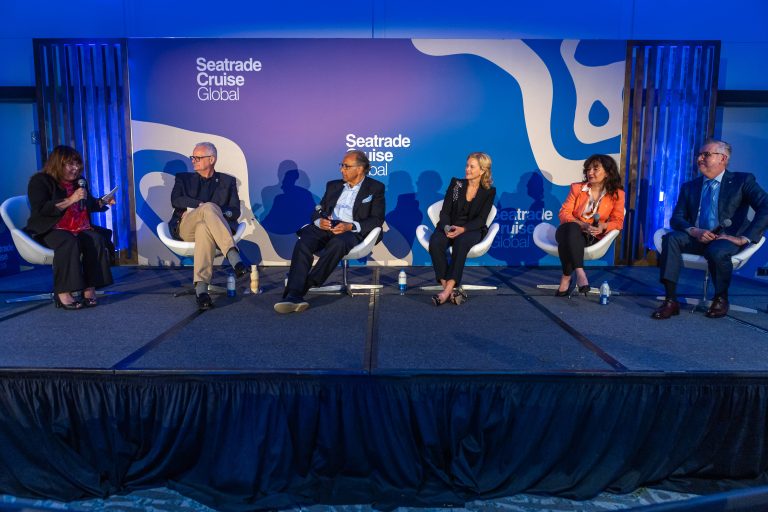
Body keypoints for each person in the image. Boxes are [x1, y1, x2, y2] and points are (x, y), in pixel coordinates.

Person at [652, 139, 768, 319]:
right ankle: (670, 300)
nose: (699, 159)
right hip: (697, 236)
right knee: (670, 238)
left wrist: (743, 238)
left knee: (717, 251)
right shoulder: (690, 187)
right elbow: (677, 218)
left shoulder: (742, 181)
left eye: (706, 154)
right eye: (699, 155)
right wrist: (694, 231)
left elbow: (765, 206)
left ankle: (721, 298)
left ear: (723, 158)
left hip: (726, 239)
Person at [274, 150, 385, 314]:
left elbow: (376, 219)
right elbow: (317, 210)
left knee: (338, 243)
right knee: (304, 243)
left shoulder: (375, 188)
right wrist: (319, 221)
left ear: (360, 169)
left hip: (351, 231)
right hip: (327, 226)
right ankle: (294, 296)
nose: (342, 170)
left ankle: (301, 289)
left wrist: (350, 226)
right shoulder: (333, 185)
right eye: (341, 166)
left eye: (346, 166)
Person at [25, 145, 114, 309]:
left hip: (78, 227)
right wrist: (71, 199)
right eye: (71, 164)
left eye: (78, 164)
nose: (76, 168)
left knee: (95, 239)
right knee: (68, 242)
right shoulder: (40, 181)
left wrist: (102, 201)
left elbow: (88, 203)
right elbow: (42, 209)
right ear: (58, 163)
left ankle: (89, 288)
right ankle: (63, 292)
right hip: (50, 228)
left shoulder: (80, 182)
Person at [169, 142, 247, 310]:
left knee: (204, 228)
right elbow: (176, 200)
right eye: (192, 157)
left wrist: (216, 213)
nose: (193, 160)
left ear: (211, 159)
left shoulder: (228, 181)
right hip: (186, 227)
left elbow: (234, 211)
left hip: (211, 229)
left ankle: (202, 290)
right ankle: (233, 256)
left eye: (198, 158)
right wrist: (201, 206)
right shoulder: (183, 178)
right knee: (208, 207)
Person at [428, 152, 496, 306]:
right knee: (436, 242)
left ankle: (445, 292)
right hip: (449, 226)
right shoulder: (456, 184)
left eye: (472, 167)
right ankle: (449, 291)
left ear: (482, 170)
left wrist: (463, 229)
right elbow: (445, 212)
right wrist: (446, 227)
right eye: (467, 165)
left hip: (471, 230)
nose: (467, 169)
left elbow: (481, 219)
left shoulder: (489, 192)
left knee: (461, 242)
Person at [554, 154, 625, 296]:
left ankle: (566, 277)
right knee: (572, 229)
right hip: (568, 230)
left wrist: (603, 226)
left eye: (595, 169)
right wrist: (582, 225)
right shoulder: (577, 188)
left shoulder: (617, 194)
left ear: (607, 172)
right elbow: (564, 213)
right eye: (588, 169)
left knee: (567, 244)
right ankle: (580, 273)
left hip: (591, 237)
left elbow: (618, 221)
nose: (590, 172)